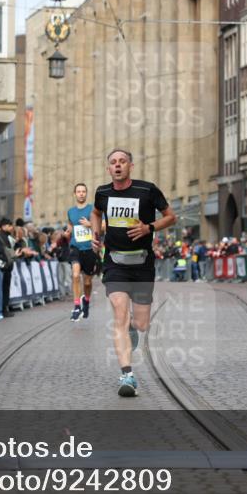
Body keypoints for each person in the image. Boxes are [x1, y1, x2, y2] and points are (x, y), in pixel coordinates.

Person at [90, 149, 176, 397]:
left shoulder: (147, 190)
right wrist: (96, 236)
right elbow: (96, 213)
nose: (118, 166)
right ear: (109, 169)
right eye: (113, 163)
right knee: (119, 310)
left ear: (131, 166)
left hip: (142, 264)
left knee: (140, 323)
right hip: (115, 264)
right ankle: (127, 374)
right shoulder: (102, 193)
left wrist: (149, 228)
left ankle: (131, 328)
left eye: (122, 162)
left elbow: (171, 217)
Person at [66, 183, 99, 321]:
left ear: (86, 193)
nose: (81, 194)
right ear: (74, 194)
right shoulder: (70, 211)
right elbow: (70, 226)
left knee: (87, 282)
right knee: (75, 275)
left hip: (90, 248)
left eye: (83, 191)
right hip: (76, 248)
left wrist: (90, 224)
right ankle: (76, 306)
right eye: (78, 191)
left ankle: (86, 299)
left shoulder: (93, 209)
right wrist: (67, 232)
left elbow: (103, 226)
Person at [0, 218, 17, 318]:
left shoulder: (6, 236)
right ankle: (4, 309)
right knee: (4, 288)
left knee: (6, 287)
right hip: (5, 266)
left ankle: (6, 307)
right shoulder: (2, 236)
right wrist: (14, 254)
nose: (11, 227)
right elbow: (6, 251)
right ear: (4, 226)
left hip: (8, 265)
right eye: (10, 225)